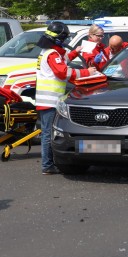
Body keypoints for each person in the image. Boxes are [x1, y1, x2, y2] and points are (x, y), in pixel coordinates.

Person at [36, 21, 96, 175]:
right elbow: (63, 72)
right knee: (48, 134)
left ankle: (48, 163)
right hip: (50, 101)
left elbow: (61, 62)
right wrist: (86, 72)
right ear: (58, 39)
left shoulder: (48, 52)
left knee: (48, 133)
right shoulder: (52, 54)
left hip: (47, 100)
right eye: (64, 39)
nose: (65, 42)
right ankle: (47, 165)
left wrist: (75, 52)